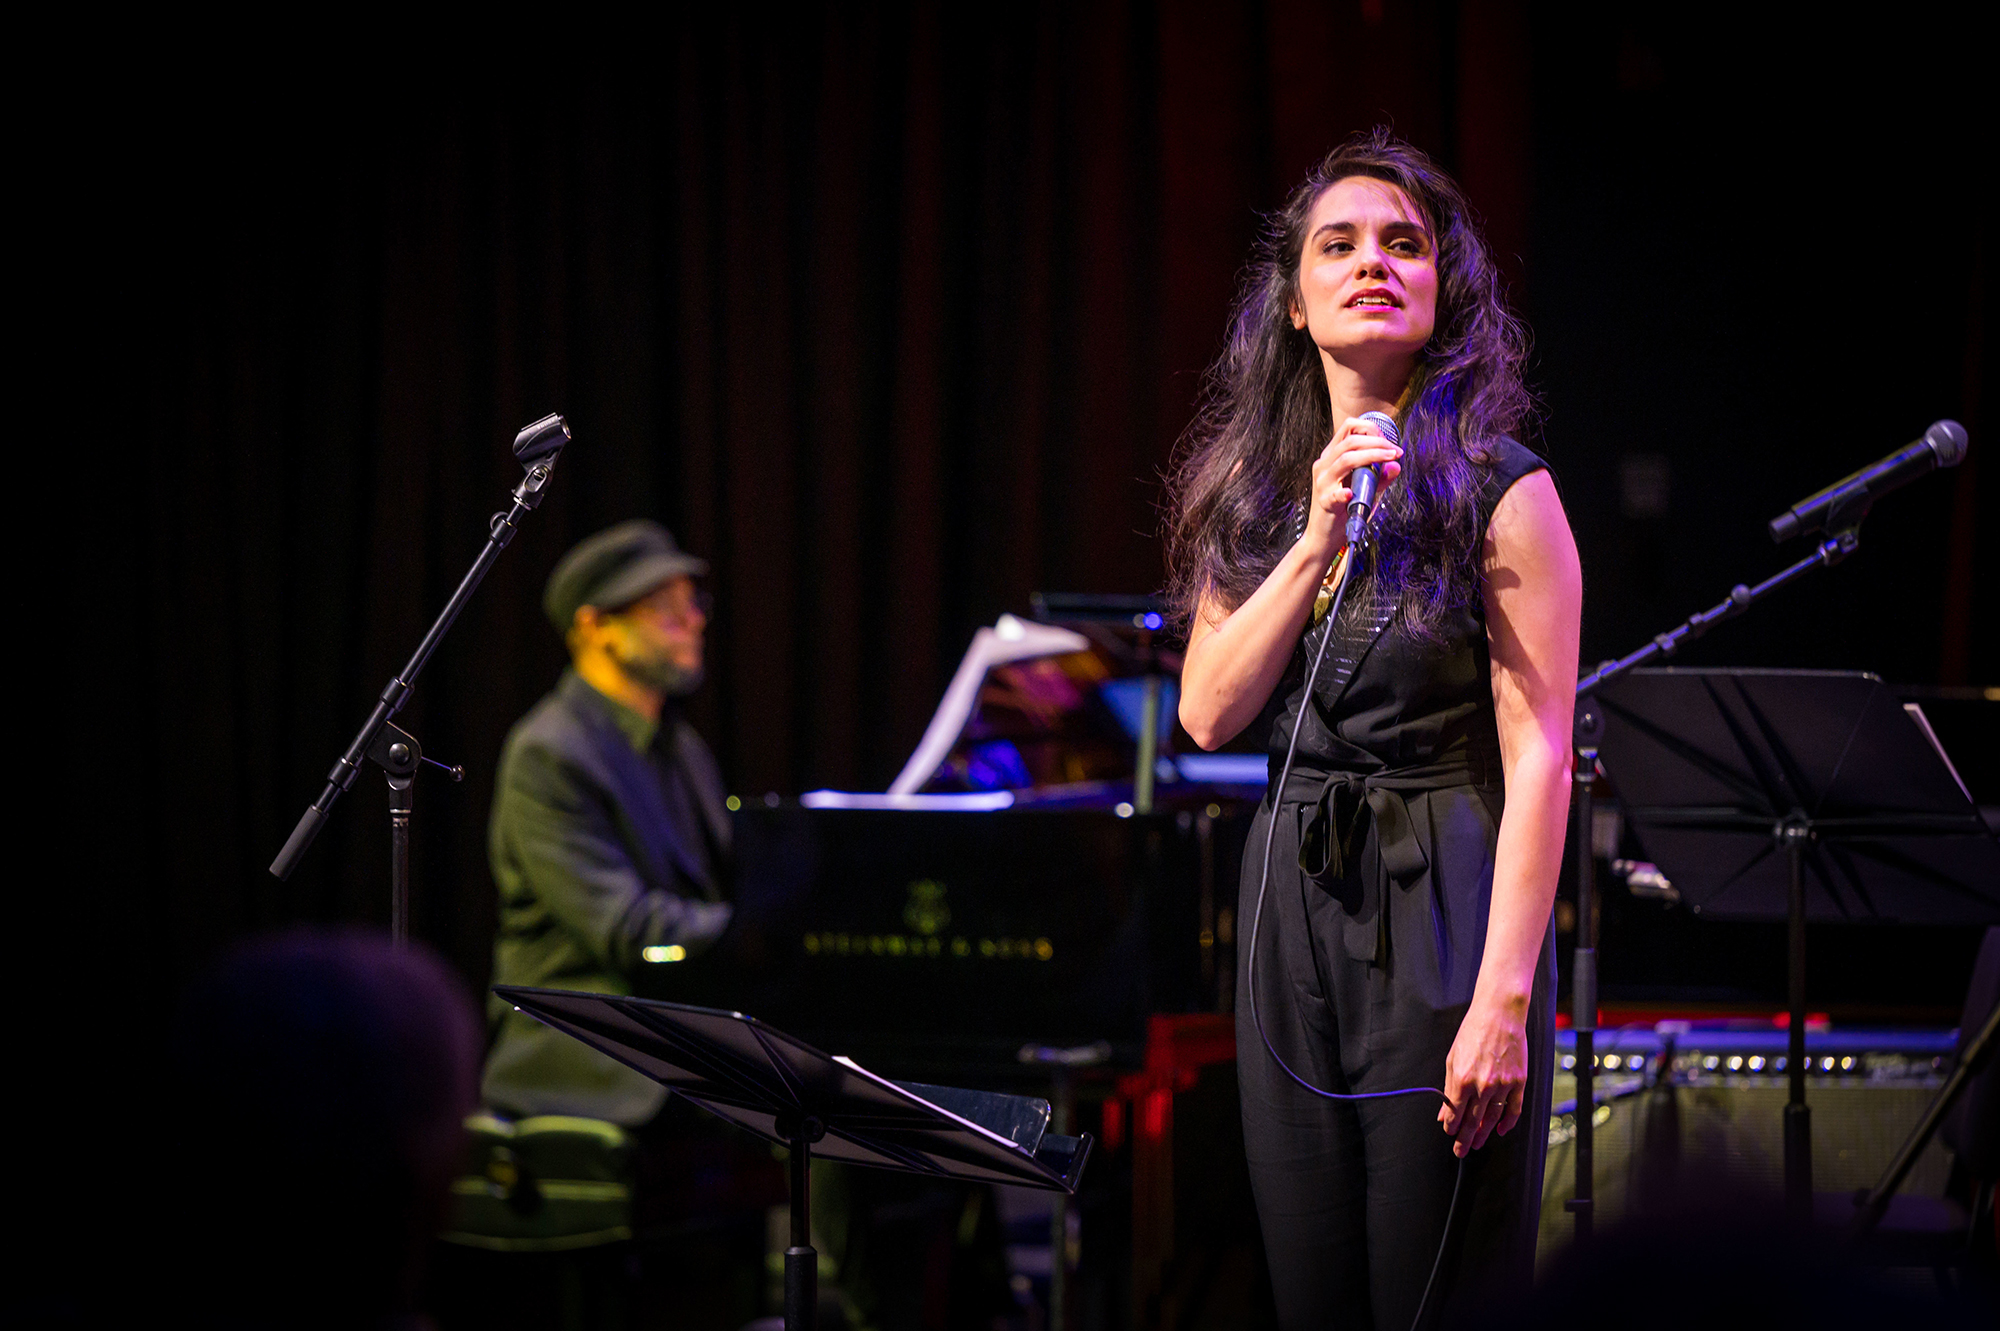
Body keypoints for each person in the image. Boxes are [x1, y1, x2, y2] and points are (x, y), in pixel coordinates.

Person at [1167, 128, 1580, 1327]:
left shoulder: (1505, 489)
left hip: (1441, 891)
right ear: (1293, 303)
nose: (1370, 263)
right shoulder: (1255, 489)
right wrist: (1313, 538)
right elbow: (1206, 712)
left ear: (1440, 290)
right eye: (1335, 245)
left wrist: (1502, 994)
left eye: (1403, 244)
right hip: (1291, 899)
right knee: (1313, 1292)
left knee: (1430, 1288)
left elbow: (1538, 748)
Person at [481, 519, 734, 1125]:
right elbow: (626, 930)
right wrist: (754, 935)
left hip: (670, 1033)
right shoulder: (548, 753)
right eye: (664, 609)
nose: (694, 621)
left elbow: (720, 886)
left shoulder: (683, 748)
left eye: (692, 603)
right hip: (591, 1053)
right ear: (596, 627)